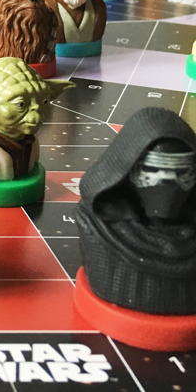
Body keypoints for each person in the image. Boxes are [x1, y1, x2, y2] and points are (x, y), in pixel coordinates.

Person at [75, 107, 196, 315]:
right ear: (129, 171)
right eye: (153, 170)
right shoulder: (98, 226)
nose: (166, 186)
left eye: (181, 172)